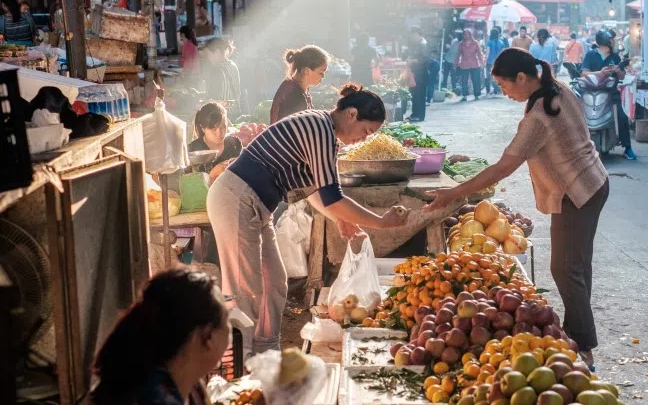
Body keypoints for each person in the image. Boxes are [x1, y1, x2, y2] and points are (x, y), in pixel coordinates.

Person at [426, 48, 609, 368]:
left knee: (564, 268)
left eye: (504, 85)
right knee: (576, 266)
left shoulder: (539, 116)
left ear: (522, 78)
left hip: (576, 192)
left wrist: (455, 192)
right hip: (592, 181)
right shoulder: (557, 87)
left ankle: (584, 346)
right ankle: (576, 332)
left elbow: (502, 168)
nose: (503, 92)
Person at [208, 84, 410, 354]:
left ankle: (266, 353)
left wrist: (339, 218)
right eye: (366, 131)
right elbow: (332, 197)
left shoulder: (324, 132)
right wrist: (381, 222)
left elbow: (314, 190)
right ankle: (241, 364)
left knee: (274, 283)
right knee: (246, 290)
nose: (363, 140)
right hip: (236, 198)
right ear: (351, 114)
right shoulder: (319, 127)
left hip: (255, 205)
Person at [90, 269, 230, 405]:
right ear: (208, 336)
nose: (229, 328)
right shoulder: (153, 397)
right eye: (226, 321)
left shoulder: (186, 386)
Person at [582, 32, 637, 160]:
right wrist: (600, 73)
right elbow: (584, 73)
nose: (613, 42)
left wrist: (618, 71)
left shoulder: (615, 56)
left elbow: (622, 76)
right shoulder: (591, 55)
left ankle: (627, 148)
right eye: (611, 39)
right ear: (605, 41)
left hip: (611, 92)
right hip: (592, 91)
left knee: (622, 117)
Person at [270, 45, 329, 123]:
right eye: (321, 72)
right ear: (306, 71)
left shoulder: (300, 88)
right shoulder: (294, 96)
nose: (323, 76)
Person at [189, 102, 242, 176]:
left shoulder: (234, 145)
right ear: (203, 128)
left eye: (223, 127)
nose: (219, 133)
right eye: (213, 129)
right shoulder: (193, 150)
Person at [202, 37, 242, 115]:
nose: (208, 58)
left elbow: (216, 100)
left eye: (209, 54)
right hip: (235, 111)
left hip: (225, 115)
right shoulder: (232, 65)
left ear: (217, 52)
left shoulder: (217, 70)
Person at [406, 27, 429, 121]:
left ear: (417, 34)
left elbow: (424, 59)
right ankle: (414, 114)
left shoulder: (423, 44)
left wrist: (412, 60)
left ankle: (419, 116)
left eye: (413, 35)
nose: (412, 37)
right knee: (414, 94)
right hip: (416, 73)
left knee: (419, 95)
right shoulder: (418, 44)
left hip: (421, 74)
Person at [455, 29, 484, 101]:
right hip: (464, 64)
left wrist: (482, 62)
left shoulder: (475, 43)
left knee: (476, 80)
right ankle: (464, 96)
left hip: (475, 64)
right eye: (464, 34)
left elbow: (479, 53)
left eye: (467, 34)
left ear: (470, 35)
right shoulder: (461, 44)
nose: (465, 35)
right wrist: (456, 64)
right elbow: (458, 54)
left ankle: (476, 95)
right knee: (464, 81)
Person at [484, 28, 505, 95]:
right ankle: (497, 90)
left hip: (490, 62)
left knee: (489, 76)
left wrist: (485, 61)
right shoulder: (501, 42)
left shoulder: (489, 42)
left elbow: (487, 52)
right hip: (499, 63)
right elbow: (503, 53)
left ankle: (491, 90)